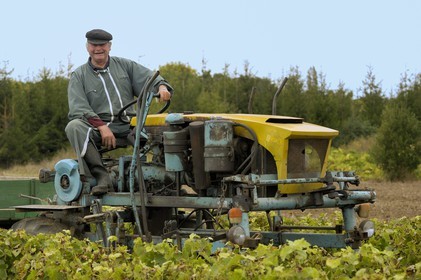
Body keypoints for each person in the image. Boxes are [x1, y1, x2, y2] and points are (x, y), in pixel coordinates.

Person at [65, 28, 173, 195]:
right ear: (87, 47)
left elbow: (149, 78)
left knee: (170, 126)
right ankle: (102, 177)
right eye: (94, 45)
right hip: (98, 128)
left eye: (102, 45)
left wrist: (162, 87)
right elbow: (78, 108)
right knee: (74, 127)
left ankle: (168, 178)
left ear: (109, 46)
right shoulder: (79, 76)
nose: (98, 49)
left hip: (130, 124)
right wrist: (101, 126)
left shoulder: (125, 65)